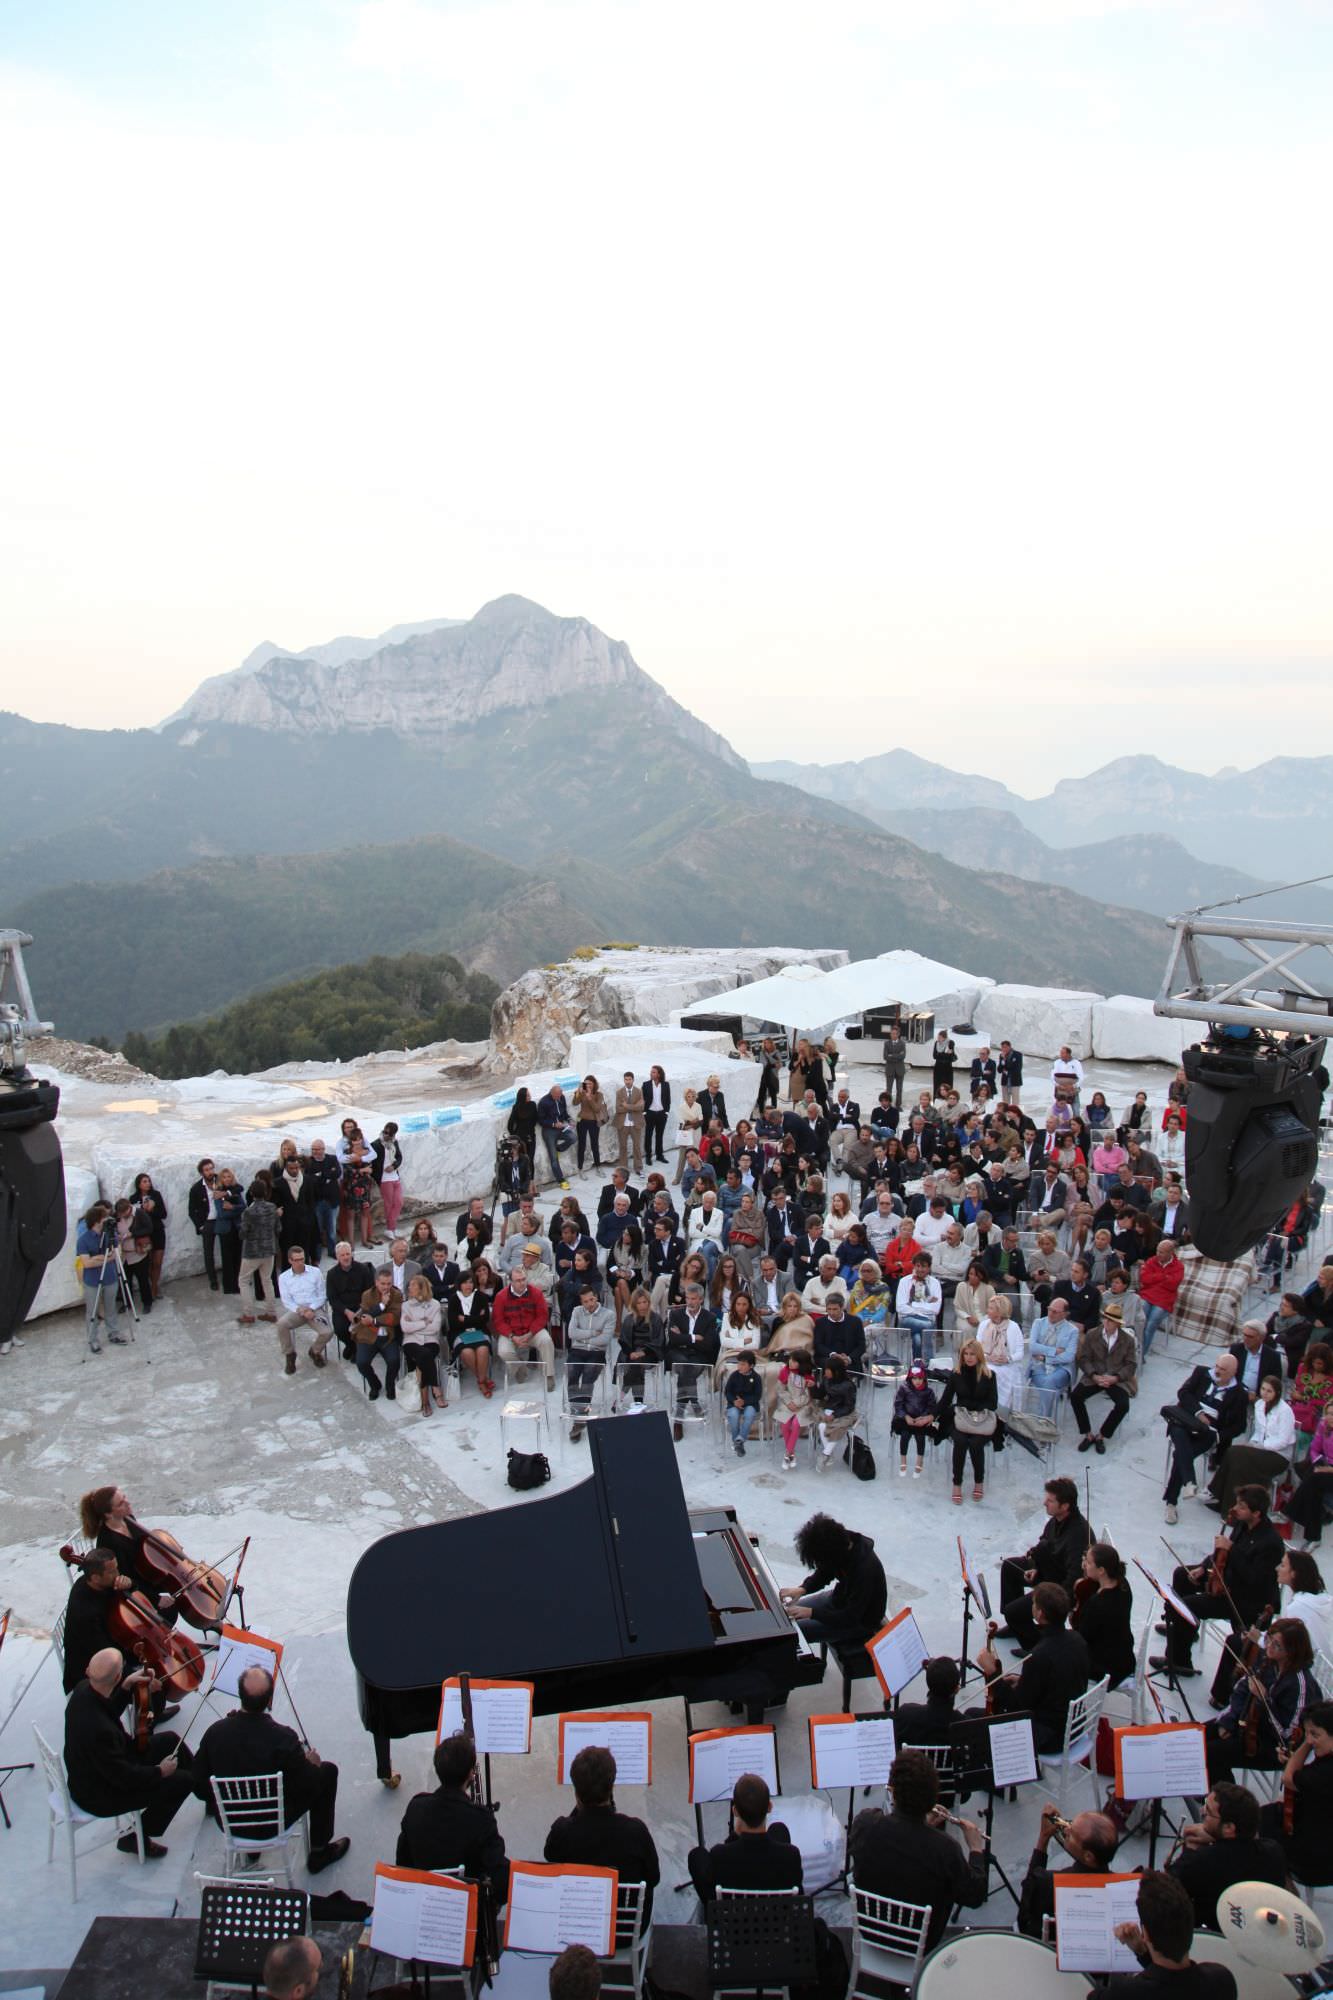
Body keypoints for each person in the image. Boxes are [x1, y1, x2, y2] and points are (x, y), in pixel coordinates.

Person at [192, 1665, 349, 1874]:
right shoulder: (284, 1738)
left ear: (240, 1695)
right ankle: (319, 1853)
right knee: (328, 1772)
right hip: (273, 1824)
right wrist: (312, 1764)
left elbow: (199, 1786)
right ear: (269, 1700)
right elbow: (307, 1784)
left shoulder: (215, 1733)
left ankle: (251, 1851)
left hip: (231, 1823)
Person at [64, 1646, 196, 1858]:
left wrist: (126, 1687)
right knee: (181, 1781)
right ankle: (135, 1837)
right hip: (100, 1793)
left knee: (170, 1740)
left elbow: (106, 1713)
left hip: (106, 1764)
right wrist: (160, 1771)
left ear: (89, 1670)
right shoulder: (100, 1731)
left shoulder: (82, 1690)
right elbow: (124, 1777)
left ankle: (208, 1791)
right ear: (116, 1676)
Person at [848, 1750, 986, 1953]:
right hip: (920, 1944)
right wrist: (975, 1849)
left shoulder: (865, 1824)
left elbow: (895, 1846)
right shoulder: (945, 1849)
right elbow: (975, 1895)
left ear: (893, 1792)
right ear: (933, 1799)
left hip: (871, 1932)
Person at [1153, 1485, 1285, 1691]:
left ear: (1256, 1513)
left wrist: (1233, 1550)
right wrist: (1203, 1568)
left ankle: (1180, 1659)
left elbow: (1253, 1578)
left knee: (1184, 1606)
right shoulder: (1243, 1524)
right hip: (1227, 1581)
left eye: (1241, 1506)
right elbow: (1222, 1552)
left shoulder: (1271, 1543)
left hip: (1243, 1599)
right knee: (1182, 1575)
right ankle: (1185, 1630)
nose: (1235, 1509)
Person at [1204, 1615, 1321, 1785]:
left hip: (1273, 1746)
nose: (1269, 1647)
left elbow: (1288, 1735)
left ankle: (1225, 1799)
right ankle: (1212, 1787)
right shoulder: (1270, 1660)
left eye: (1277, 1645)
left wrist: (1264, 1699)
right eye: (1269, 1640)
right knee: (1199, 1734)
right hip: (1250, 1723)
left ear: (1291, 1652)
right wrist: (1228, 1721)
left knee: (1212, 1752)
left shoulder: (1300, 1685)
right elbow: (1242, 1688)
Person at [976, 1582, 1091, 1752]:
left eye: (1034, 1603)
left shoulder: (1039, 1655)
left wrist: (994, 1673)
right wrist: (1025, 1680)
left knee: (972, 1718)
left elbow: (1016, 1708)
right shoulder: (1077, 1639)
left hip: (1051, 1736)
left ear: (1040, 1614)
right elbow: (1058, 1678)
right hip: (1076, 1724)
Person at [544, 1746, 660, 1915]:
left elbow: (550, 1856)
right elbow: (653, 1878)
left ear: (576, 1790)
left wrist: (579, 1808)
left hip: (577, 1925)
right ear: (611, 1786)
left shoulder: (562, 1831)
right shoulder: (636, 1831)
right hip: (625, 1931)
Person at [396, 1732, 509, 1901]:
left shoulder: (416, 1806)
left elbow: (403, 1861)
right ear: (471, 1774)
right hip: (465, 1901)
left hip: (424, 1897)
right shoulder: (481, 1819)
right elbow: (499, 1878)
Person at [1166, 1782, 1285, 1929]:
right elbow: (1243, 1846)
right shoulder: (1274, 1850)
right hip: (1259, 1928)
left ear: (1229, 1827)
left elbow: (1168, 1888)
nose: (1202, 1811)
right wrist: (1217, 1838)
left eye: (1208, 1811)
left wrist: (1190, 1848)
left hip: (1216, 1935)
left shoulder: (1203, 1860)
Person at [1106, 1870, 1238, 1997]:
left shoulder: (1123, 1993)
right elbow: (1173, 1984)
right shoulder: (1221, 1981)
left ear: (1145, 1933)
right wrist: (1143, 1953)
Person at [998, 1476, 1090, 1651]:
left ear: (1065, 1505)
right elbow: (1044, 1542)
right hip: (1046, 1570)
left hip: (1058, 1588)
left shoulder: (1077, 1535)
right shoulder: (1057, 1519)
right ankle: (1016, 1627)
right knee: (1010, 1567)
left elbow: (1073, 1578)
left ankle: (1037, 1647)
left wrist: (1046, 1592)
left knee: (1013, 1612)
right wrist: (1035, 1567)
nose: (1044, 1503)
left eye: (1050, 1500)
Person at [688, 1771, 802, 1903]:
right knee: (778, 1830)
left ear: (735, 1811)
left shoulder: (719, 1855)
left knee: (697, 1855)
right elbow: (799, 1899)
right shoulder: (791, 1855)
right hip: (777, 1921)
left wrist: (735, 1835)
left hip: (732, 1921)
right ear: (769, 1807)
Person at [1159, 1352, 1247, 1522]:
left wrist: (1219, 1436)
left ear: (1232, 1373)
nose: (1217, 1371)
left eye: (1222, 1370)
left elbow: (1239, 1426)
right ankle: (1177, 1496)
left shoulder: (1239, 1394)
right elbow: (1183, 1393)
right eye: (1217, 1367)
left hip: (1209, 1431)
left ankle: (1181, 1492)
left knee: (1181, 1454)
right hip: (1184, 1419)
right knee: (1181, 1444)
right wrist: (1198, 1413)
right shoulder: (1201, 1373)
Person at [778, 1512, 886, 1647]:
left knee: (790, 1634)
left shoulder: (865, 1572)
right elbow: (825, 1571)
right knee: (784, 1614)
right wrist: (803, 1589)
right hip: (840, 1599)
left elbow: (850, 1618)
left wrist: (811, 1613)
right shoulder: (840, 1542)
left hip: (859, 1621)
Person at [1017, 1801, 1119, 1941]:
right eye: (1069, 1824)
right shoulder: (1120, 1888)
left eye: (1072, 1834)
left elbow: (1024, 1922)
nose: (1065, 1830)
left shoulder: (1047, 1882)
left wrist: (1043, 1838)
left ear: (1088, 1856)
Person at [1260, 1696, 1333, 1887]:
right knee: (1259, 1816)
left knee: (1254, 1832)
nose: (1310, 1739)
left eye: (1315, 1735)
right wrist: (1312, 1740)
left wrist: (1305, 1745)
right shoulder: (1326, 1758)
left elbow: (1288, 1779)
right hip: (1314, 1826)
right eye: (1308, 1734)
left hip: (1317, 1856)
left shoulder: (1325, 1773)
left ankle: (1285, 1887)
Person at [1205, 1372, 1295, 1515]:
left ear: (1277, 1393)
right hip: (1260, 1449)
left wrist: (1259, 1446)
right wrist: (1252, 1443)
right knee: (1234, 1456)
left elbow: (1283, 1441)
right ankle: (1221, 1500)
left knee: (1235, 1453)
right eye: (1263, 1389)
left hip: (1278, 1455)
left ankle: (1219, 1497)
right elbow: (1258, 1432)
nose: (1265, 1394)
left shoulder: (1285, 1411)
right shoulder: (1259, 1405)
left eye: (1269, 1391)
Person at [1069, 1300, 1140, 1456]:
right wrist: (1094, 1375)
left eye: (1111, 1320)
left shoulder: (1127, 1340)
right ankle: (1087, 1434)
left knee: (1123, 1405)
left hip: (1116, 1378)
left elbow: (1131, 1365)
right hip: (1095, 1375)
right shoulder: (1093, 1334)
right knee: (1075, 1397)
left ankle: (1102, 1435)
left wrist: (1115, 1378)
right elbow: (1084, 1358)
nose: (1107, 1322)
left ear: (1117, 1323)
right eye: (1105, 1318)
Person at [936, 1337, 998, 1505]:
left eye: (972, 1354)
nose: (969, 1357)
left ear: (979, 1356)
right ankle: (957, 1484)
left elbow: (992, 1403)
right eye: (966, 1354)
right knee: (960, 1441)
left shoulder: (989, 1375)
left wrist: (968, 1405)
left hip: (982, 1420)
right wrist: (931, 1415)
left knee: (977, 1443)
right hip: (961, 1418)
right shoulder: (956, 1375)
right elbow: (945, 1400)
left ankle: (979, 1481)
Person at [1073, 1542, 1136, 1689]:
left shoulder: (1098, 1603)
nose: (1084, 1565)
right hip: (1123, 1654)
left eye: (1088, 1562)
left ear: (1101, 1570)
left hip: (1107, 1666)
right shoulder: (1123, 1584)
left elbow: (1082, 1637)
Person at [492, 1268, 557, 1388]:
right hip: (511, 1333)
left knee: (546, 1341)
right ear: (510, 1282)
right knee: (503, 1351)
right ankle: (520, 1368)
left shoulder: (536, 1293)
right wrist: (512, 1336)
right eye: (518, 1281)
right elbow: (499, 1321)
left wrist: (530, 1333)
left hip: (532, 1331)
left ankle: (549, 1374)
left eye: (523, 1279)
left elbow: (542, 1316)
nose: (522, 1283)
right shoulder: (501, 1296)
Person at [274, 1244, 333, 1377]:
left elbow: (322, 1295)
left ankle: (315, 1351)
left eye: (302, 1259)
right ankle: (289, 1354)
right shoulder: (284, 1277)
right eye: (297, 1260)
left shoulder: (315, 1272)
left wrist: (311, 1308)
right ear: (290, 1261)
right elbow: (286, 1300)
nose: (300, 1262)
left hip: (314, 1309)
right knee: (281, 1324)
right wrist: (300, 1310)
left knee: (328, 1332)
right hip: (297, 1310)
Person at [77, 1201, 125, 1353]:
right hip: (92, 1281)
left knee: (111, 1308)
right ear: (97, 1221)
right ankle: (92, 1340)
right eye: (104, 1217)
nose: (107, 1219)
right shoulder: (83, 1240)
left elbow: (115, 1255)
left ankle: (114, 1333)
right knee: (92, 1312)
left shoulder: (110, 1235)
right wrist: (104, 1257)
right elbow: (87, 1263)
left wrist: (97, 1258)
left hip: (110, 1278)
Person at [1284, 1406, 1333, 1544]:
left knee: (1313, 1480)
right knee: (1312, 1486)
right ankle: (1313, 1536)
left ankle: (1288, 1513)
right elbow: (1314, 1448)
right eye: (1328, 1413)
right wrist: (1319, 1463)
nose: (1329, 1417)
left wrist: (1327, 1470)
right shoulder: (1323, 1424)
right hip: (1324, 1464)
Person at [352, 1268, 403, 1400]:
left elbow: (394, 1318)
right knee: (362, 1362)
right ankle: (375, 1385)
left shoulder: (396, 1295)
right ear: (376, 1283)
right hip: (368, 1335)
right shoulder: (367, 1295)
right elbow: (365, 1317)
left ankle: (390, 1385)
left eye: (389, 1284)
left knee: (394, 1360)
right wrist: (381, 1305)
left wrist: (374, 1320)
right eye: (383, 1284)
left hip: (388, 1336)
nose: (386, 1287)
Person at [236, 1179, 281, 1324]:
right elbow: (278, 1229)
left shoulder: (248, 1212)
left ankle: (248, 1314)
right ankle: (271, 1312)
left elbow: (243, 1233)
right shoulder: (272, 1207)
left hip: (252, 1252)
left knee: (244, 1281)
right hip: (269, 1250)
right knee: (267, 1281)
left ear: (251, 1193)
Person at [1026, 1297, 1080, 1416]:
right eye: (1050, 1309)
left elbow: (1069, 1357)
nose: (1051, 1313)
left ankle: (1041, 1420)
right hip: (1038, 1366)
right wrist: (1055, 1350)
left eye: (1055, 1311)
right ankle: (1045, 1421)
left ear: (1065, 1314)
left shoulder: (1072, 1331)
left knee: (1049, 1382)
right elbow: (1032, 1347)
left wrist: (1046, 1357)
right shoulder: (1038, 1323)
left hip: (1061, 1368)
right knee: (1049, 1386)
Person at [893, 1656, 961, 1751]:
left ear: (929, 1684)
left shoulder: (906, 1714)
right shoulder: (963, 1724)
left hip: (914, 1765)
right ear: (957, 1689)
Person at [401, 1273, 446, 1414]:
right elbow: (405, 1328)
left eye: (413, 1285)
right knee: (424, 1355)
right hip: (411, 1342)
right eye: (409, 1285)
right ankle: (435, 1389)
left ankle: (425, 1401)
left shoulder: (435, 1304)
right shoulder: (405, 1305)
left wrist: (414, 1325)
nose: (409, 1287)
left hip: (430, 1341)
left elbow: (435, 1328)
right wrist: (424, 1322)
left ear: (421, 1288)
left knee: (424, 1356)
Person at [892, 1359, 938, 1477]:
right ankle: (903, 1460)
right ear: (910, 1378)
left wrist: (923, 1417)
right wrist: (905, 1416)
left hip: (921, 1420)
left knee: (920, 1436)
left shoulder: (929, 1392)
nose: (917, 1381)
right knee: (905, 1435)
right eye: (914, 1378)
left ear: (924, 1379)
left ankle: (919, 1460)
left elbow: (931, 1406)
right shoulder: (904, 1388)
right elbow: (898, 1404)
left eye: (920, 1379)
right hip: (905, 1419)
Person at [895, 1252, 942, 1361]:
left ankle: (917, 1365)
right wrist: (925, 1306)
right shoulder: (904, 1282)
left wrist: (913, 1305)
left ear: (929, 1267)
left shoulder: (935, 1283)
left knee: (917, 1339)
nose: (920, 1269)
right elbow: (900, 1307)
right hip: (908, 1319)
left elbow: (936, 1309)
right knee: (927, 1328)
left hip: (927, 1318)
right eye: (918, 1266)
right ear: (914, 1266)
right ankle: (928, 1364)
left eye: (924, 1266)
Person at [188, 1158, 222, 1291]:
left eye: (211, 1168)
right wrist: (200, 1225)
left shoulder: (220, 1181)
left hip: (221, 1220)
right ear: (202, 1173)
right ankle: (212, 1280)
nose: (210, 1172)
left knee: (228, 1249)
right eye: (207, 1170)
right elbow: (191, 1210)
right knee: (208, 1253)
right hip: (207, 1223)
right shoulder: (196, 1188)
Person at [723, 1349, 762, 1456]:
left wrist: (744, 1401)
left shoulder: (756, 1378)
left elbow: (757, 1395)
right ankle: (738, 1443)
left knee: (749, 1415)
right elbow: (727, 1391)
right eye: (739, 1364)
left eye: (743, 1364)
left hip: (750, 1404)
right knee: (733, 1416)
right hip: (734, 1403)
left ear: (751, 1366)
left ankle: (738, 1441)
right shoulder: (734, 1375)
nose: (739, 1366)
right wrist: (734, 1401)